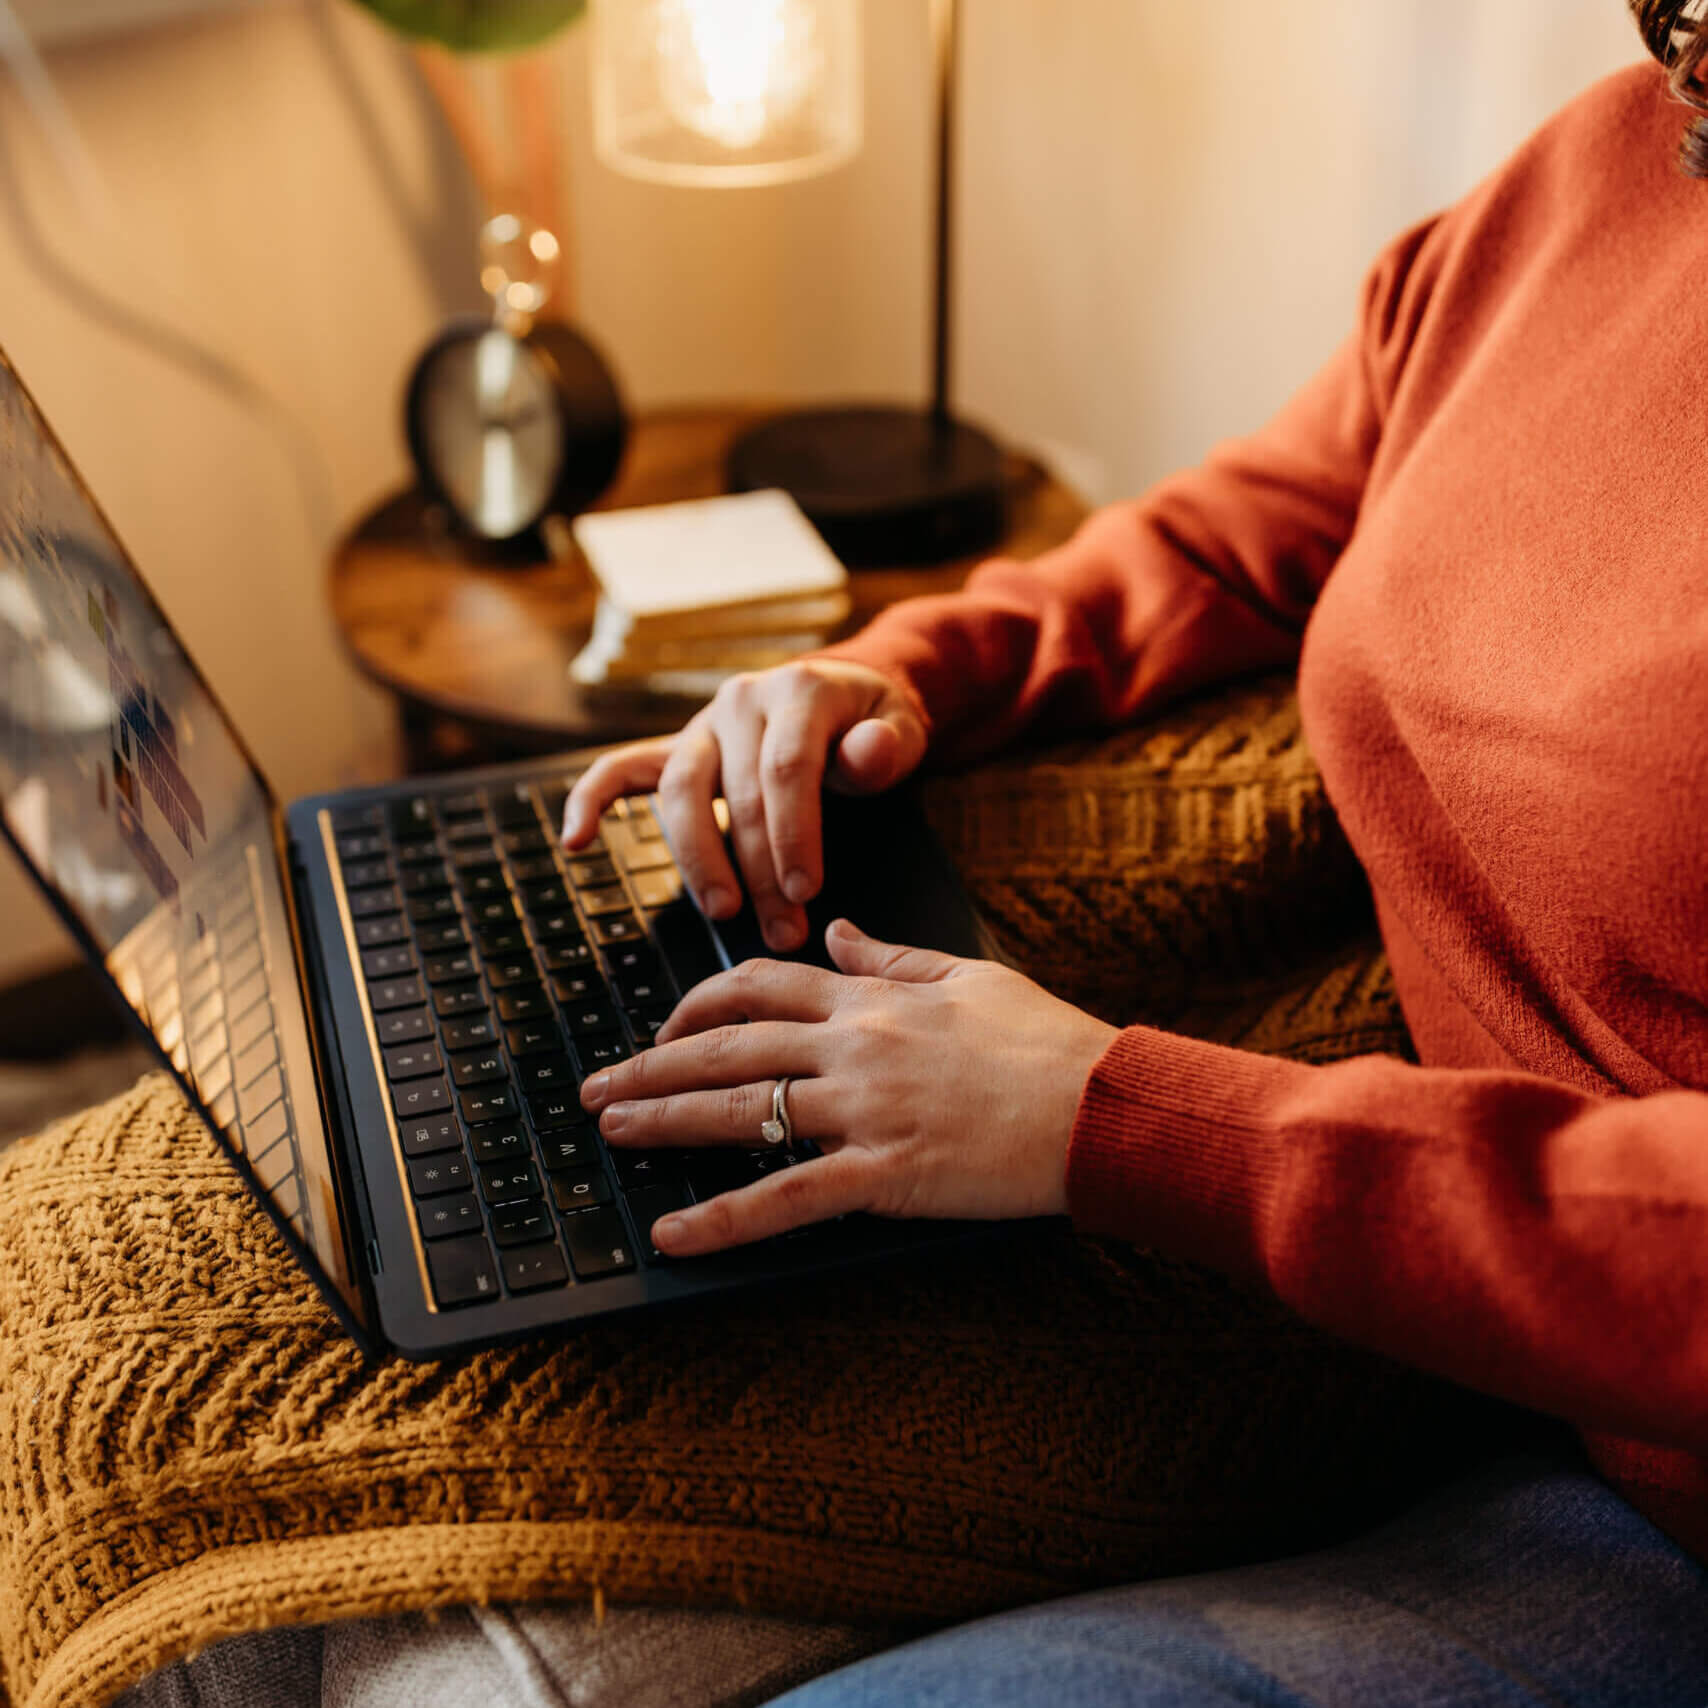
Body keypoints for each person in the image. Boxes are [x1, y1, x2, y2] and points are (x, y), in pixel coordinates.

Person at [551, 3, 1708, 1702]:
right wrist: (909, 666)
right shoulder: (1606, 168)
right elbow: (1274, 515)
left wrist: (1119, 1119)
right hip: (1431, 1300)